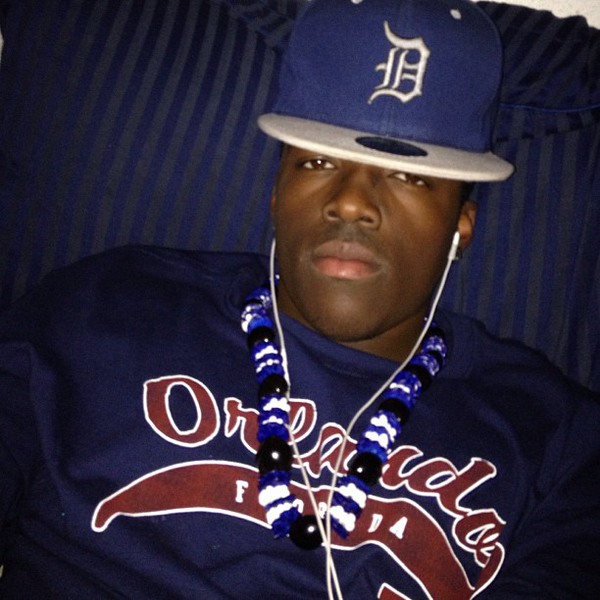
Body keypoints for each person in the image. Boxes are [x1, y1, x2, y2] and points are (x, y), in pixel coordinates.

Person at [0, 0, 598, 598]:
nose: (351, 202)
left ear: (460, 229)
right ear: (275, 196)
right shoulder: (106, 307)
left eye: (408, 175)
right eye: (316, 160)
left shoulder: (557, 442)